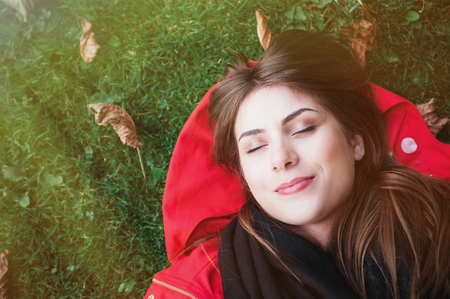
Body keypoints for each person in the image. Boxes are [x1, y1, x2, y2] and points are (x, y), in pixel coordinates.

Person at [143, 30, 450, 299]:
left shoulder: (438, 219)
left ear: (356, 142)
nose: (281, 158)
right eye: (256, 147)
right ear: (244, 176)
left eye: (303, 129)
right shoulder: (200, 285)